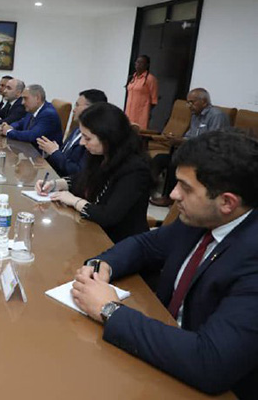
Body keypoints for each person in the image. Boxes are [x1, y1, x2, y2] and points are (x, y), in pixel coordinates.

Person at [70, 130, 258, 397]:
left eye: (186, 188)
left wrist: (109, 309)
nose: (173, 194)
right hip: (159, 347)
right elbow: (145, 245)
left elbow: (210, 362)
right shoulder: (202, 217)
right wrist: (103, 265)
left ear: (227, 202)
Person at [36, 102, 151, 243]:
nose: (82, 143)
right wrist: (55, 184)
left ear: (108, 137)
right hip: (92, 230)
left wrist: (74, 201)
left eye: (87, 138)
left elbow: (108, 216)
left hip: (120, 241)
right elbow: (83, 178)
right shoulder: (103, 154)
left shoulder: (136, 170)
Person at [150, 87, 230, 207]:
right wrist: (176, 139)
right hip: (193, 153)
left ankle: (169, 198)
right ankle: (146, 189)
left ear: (204, 102)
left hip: (210, 155)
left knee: (175, 164)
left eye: (192, 102)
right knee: (160, 159)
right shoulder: (195, 115)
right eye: (188, 102)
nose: (189, 106)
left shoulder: (216, 116)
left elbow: (214, 141)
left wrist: (184, 141)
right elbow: (189, 136)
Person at [37, 89, 108, 176]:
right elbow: (64, 156)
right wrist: (50, 152)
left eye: (77, 105)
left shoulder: (95, 140)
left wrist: (55, 153)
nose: (74, 110)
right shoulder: (77, 129)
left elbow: (78, 172)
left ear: (90, 109)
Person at [125, 55, 158, 130]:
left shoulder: (150, 79)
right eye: (137, 62)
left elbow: (154, 101)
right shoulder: (132, 77)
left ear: (147, 65)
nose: (138, 64)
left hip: (141, 114)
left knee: (138, 133)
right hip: (128, 112)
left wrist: (146, 112)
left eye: (141, 63)